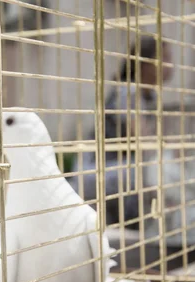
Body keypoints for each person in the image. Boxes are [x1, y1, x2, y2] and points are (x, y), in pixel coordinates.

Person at [70, 36, 174, 229]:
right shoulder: (128, 93)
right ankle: (148, 221)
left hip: (116, 169)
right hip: (95, 172)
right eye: (165, 58)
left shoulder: (148, 96)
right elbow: (146, 142)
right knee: (157, 168)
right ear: (146, 63)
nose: (171, 65)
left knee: (158, 167)